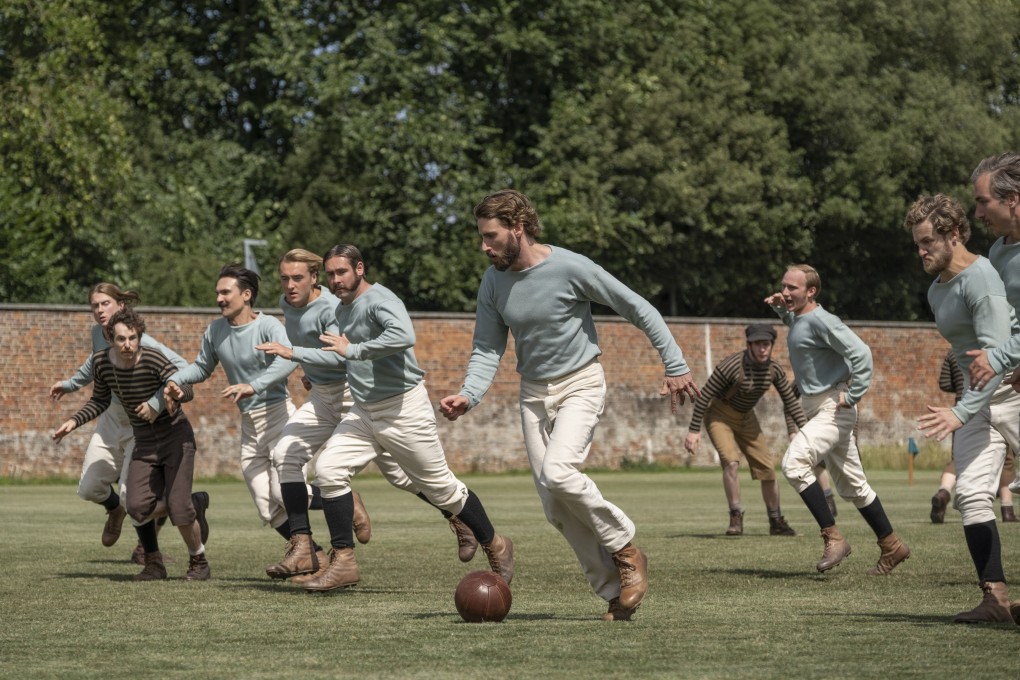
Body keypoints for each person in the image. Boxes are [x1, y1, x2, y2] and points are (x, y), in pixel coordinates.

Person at [439, 189, 700, 622]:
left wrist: (675, 363)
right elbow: (487, 347)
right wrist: (470, 394)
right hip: (534, 393)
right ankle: (615, 592)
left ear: (517, 229)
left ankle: (625, 547)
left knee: (560, 474)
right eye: (481, 237)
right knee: (554, 506)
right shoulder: (493, 281)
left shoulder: (571, 267)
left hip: (581, 383)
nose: (484, 247)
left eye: (491, 236)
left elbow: (636, 307)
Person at [302, 244, 513, 593]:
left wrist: (352, 350)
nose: (335, 280)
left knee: (443, 489)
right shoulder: (342, 309)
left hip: (402, 408)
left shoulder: (382, 300)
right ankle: (344, 562)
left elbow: (403, 336)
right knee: (327, 470)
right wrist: (299, 357)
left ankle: (495, 543)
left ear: (359, 269)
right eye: (330, 274)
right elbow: (345, 357)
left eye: (341, 272)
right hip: (365, 410)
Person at [258, 249, 477, 584]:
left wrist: (303, 357)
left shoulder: (333, 306)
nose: (289, 285)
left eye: (298, 278)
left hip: (354, 393)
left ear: (315, 278)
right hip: (321, 397)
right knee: (284, 454)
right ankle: (302, 545)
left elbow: (346, 357)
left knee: (401, 477)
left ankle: (457, 514)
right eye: (284, 278)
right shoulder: (288, 304)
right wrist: (308, 368)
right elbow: (314, 350)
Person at [906, 193, 1020, 624]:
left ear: (954, 235)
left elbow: (993, 355)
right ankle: (995, 601)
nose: (921, 251)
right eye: (917, 243)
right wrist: (964, 408)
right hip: (975, 404)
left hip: (1009, 392)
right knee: (972, 495)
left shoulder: (982, 279)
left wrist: (958, 413)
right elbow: (964, 355)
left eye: (928, 241)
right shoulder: (937, 289)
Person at [765, 265, 909, 576]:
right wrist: (783, 312)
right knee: (854, 487)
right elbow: (805, 337)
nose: (786, 292)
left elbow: (862, 353)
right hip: (821, 408)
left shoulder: (823, 320)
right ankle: (892, 545)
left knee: (794, 463)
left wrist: (854, 393)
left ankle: (833, 538)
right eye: (784, 287)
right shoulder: (802, 319)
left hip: (834, 406)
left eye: (793, 288)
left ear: (811, 291)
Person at [48, 283, 207, 563]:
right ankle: (121, 511)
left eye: (105, 304)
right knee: (89, 489)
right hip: (111, 417)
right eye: (95, 305)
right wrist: (70, 386)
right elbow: (95, 365)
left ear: (121, 305)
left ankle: (152, 544)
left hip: (143, 423)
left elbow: (184, 371)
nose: (99, 310)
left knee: (132, 496)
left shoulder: (144, 344)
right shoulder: (100, 334)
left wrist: (158, 403)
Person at [165, 264, 303, 561]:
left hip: (280, 416)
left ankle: (348, 502)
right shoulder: (216, 330)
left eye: (225, 292)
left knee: (282, 493)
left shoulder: (268, 326)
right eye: (218, 293)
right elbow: (202, 367)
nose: (219, 298)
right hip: (250, 425)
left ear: (246, 294)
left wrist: (253, 386)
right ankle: (311, 555)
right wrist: (176, 379)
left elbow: (288, 361)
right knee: (266, 506)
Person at [684, 323, 803, 536]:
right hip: (719, 415)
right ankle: (735, 516)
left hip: (747, 418)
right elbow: (704, 396)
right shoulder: (731, 366)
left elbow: (791, 402)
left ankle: (776, 521)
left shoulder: (774, 369)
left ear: (772, 345)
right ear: (749, 345)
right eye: (757, 344)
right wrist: (694, 430)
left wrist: (805, 430)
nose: (762, 349)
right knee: (731, 462)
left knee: (767, 467)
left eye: (766, 344)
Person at [965, 152, 1020, 497]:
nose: (978, 214)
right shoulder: (998, 253)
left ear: (1012, 200)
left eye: (983, 203)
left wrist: (999, 358)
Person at [931, 350, 1018, 524]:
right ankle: (1007, 509)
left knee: (962, 456)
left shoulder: (953, 352)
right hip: (995, 398)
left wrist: (962, 383)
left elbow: (944, 383)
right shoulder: (999, 347)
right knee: (1007, 460)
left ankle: (944, 490)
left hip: (961, 405)